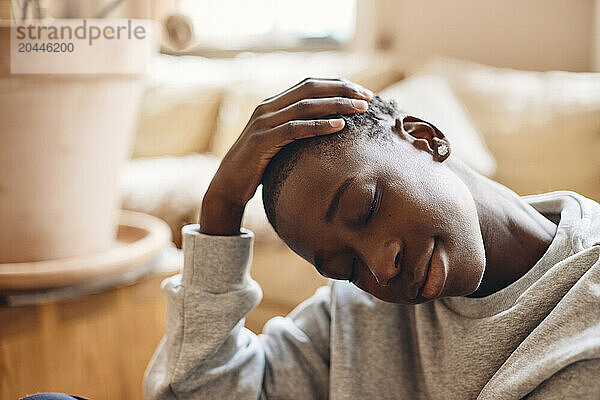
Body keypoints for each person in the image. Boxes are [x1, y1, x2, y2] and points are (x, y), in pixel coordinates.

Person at [143, 78, 600, 399]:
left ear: (424, 138)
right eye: (346, 269)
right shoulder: (359, 316)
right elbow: (199, 392)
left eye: (365, 208)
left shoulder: (586, 300)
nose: (381, 270)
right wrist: (219, 211)